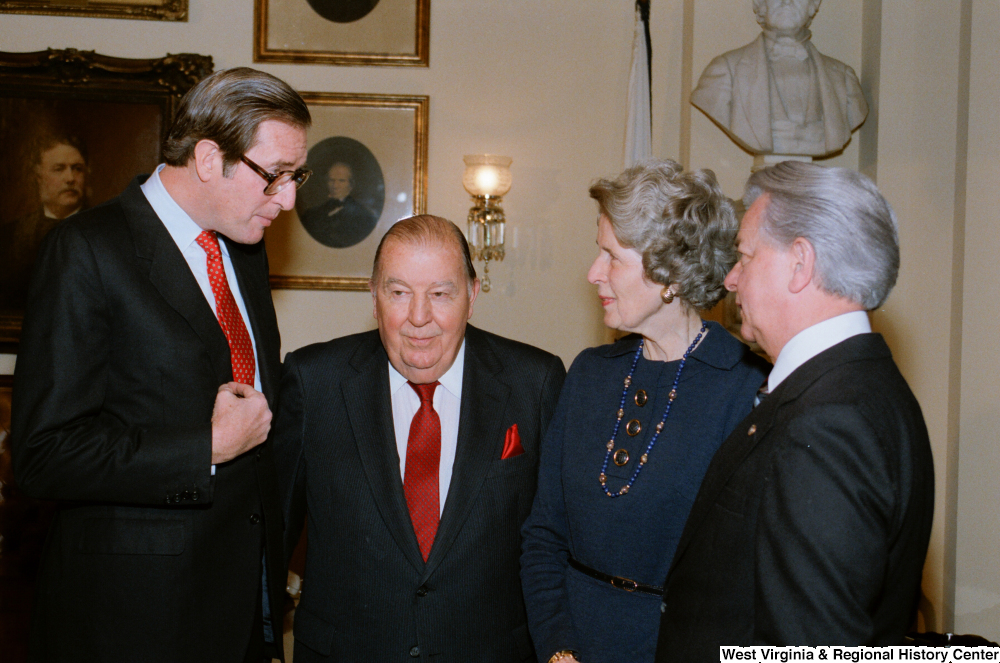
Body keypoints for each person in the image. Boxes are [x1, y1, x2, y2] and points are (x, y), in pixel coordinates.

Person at [10, 67, 312, 662]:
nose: (289, 198)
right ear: (207, 157)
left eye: (295, 176)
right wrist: (206, 446)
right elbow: (42, 456)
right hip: (132, 621)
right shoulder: (87, 250)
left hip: (240, 612)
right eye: (274, 175)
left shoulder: (243, 249)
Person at [655, 162, 934, 660]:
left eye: (744, 256)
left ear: (800, 264)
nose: (731, 278)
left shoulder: (831, 423)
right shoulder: (865, 388)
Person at [273, 214, 566, 662]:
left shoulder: (536, 382)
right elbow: (273, 534)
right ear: (373, 297)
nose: (419, 318)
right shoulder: (314, 382)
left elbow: (557, 539)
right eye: (398, 293)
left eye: (440, 294)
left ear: (472, 296)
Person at [520, 159, 769, 663]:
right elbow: (543, 534)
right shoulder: (590, 372)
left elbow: (748, 581)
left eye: (611, 257)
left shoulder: (746, 389)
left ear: (668, 273)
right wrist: (558, 649)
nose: (593, 274)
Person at [690, 0, 868, 156]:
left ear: (814, 5)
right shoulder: (724, 71)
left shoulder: (844, 79)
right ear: (759, 3)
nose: (787, 1)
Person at [0, 134, 88, 310]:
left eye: (77, 169)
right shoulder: (8, 236)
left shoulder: (106, 231)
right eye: (59, 169)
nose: (70, 178)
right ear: (39, 177)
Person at [299, 161, 379, 248]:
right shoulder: (311, 214)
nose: (335, 186)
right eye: (331, 180)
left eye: (341, 181)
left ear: (351, 184)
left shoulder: (365, 216)